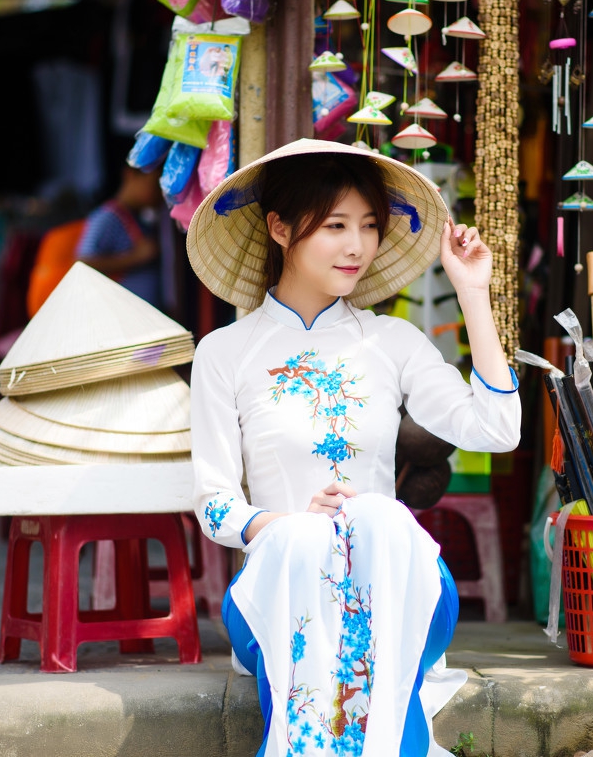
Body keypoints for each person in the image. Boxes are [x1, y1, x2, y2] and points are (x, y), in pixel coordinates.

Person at [186, 139, 521, 757]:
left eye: (368, 226)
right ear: (280, 228)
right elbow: (213, 502)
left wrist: (475, 295)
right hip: (280, 594)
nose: (356, 246)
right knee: (316, 539)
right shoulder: (224, 353)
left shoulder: (393, 342)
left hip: (397, 585)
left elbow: (497, 431)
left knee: (375, 515)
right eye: (336, 225)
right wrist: (289, 527)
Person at [75, 165, 161, 306]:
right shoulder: (107, 217)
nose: (161, 194)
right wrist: (136, 257)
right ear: (131, 175)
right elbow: (82, 263)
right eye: (156, 184)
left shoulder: (139, 217)